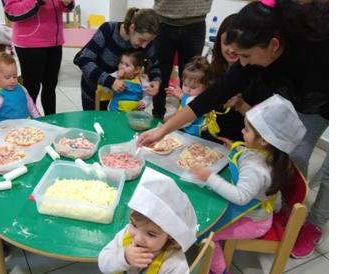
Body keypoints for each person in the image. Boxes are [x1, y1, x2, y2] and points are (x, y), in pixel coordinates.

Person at [137, 0, 328, 258]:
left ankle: (312, 223)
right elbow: (210, 97)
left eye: (246, 56)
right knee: (295, 155)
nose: (243, 63)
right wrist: (163, 130)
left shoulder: (321, 52)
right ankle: (286, 208)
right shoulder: (259, 52)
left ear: (273, 45)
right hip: (304, 96)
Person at [190, 95, 306, 274]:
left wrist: (209, 177)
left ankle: (219, 270)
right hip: (254, 211)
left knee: (205, 233)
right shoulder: (270, 155)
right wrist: (234, 148)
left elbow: (241, 197)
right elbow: (247, 156)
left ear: (264, 141)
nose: (242, 132)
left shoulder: (256, 169)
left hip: (252, 221)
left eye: (246, 130)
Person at [98, 167, 197, 274]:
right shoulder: (125, 236)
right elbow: (103, 264)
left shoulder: (175, 265)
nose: (138, 238)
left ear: (170, 235)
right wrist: (124, 258)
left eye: (151, 234)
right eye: (134, 225)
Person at [74, 8, 162, 111]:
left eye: (148, 41)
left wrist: (156, 81)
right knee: (93, 122)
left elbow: (155, 65)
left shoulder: (146, 43)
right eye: (142, 40)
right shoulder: (108, 29)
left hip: (120, 96)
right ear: (132, 28)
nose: (144, 46)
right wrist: (110, 81)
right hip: (93, 89)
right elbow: (84, 60)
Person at [2, 0, 75, 115]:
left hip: (55, 42)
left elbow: (66, 7)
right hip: (30, 44)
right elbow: (12, 12)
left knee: (50, 87)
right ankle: (28, 126)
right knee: (32, 89)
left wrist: (67, 3)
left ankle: (51, 122)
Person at [151, 0, 212, 120]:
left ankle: (184, 120)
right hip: (163, 18)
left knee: (193, 78)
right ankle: (157, 119)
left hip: (196, 19)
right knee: (159, 74)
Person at [200, 13, 245, 142]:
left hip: (239, 142)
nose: (231, 49)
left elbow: (263, 123)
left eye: (238, 43)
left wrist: (240, 105)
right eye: (226, 42)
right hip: (211, 135)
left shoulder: (253, 76)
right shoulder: (213, 70)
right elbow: (200, 104)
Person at [0, 53, 41, 136]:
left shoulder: (21, 89)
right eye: (7, 77)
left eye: (15, 76)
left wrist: (41, 122)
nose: (13, 81)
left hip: (26, 131)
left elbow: (32, 108)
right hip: (4, 135)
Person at [164, 56, 212, 137]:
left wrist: (169, 123)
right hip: (185, 129)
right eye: (185, 85)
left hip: (195, 134)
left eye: (193, 87)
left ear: (206, 87)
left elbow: (189, 111)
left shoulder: (201, 100)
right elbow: (183, 109)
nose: (187, 90)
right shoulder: (188, 96)